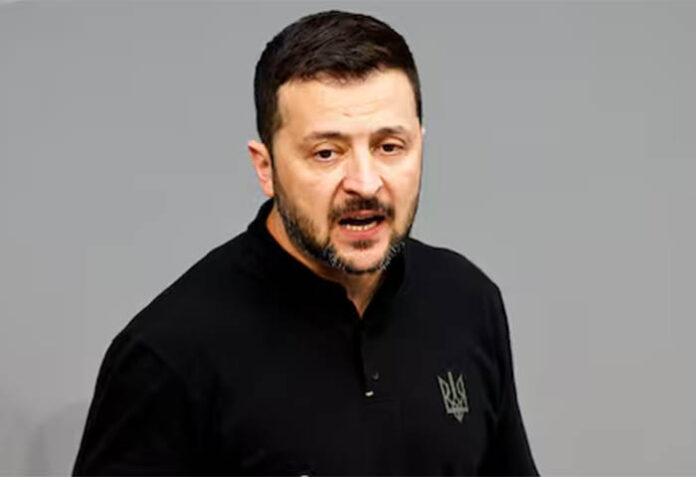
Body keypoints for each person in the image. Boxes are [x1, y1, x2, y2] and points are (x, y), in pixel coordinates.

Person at [73, 10, 538, 475]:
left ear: (420, 144)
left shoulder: (468, 302)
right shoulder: (169, 354)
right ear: (266, 168)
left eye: (389, 147)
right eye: (326, 153)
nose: (365, 183)